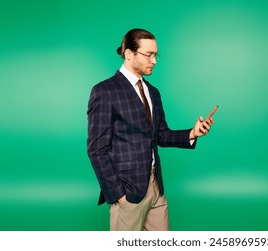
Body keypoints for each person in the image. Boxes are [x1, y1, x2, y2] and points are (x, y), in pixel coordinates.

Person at [87, 28, 214, 231]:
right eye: (149, 55)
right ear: (129, 53)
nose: (154, 61)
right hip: (128, 191)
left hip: (156, 187)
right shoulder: (105, 92)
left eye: (156, 55)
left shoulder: (153, 92)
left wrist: (192, 133)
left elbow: (161, 135)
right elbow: (96, 150)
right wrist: (118, 195)